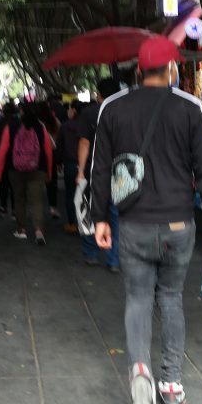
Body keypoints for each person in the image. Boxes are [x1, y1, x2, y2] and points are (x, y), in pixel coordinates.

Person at [90, 37, 202, 404]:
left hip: (134, 225)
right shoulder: (190, 108)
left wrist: (99, 218)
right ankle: (170, 385)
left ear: (139, 70)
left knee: (137, 298)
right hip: (178, 226)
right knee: (170, 299)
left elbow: (100, 169)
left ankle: (140, 372)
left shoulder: (113, 108)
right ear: (171, 70)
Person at [77, 78, 122, 270]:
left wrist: (80, 171)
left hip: (96, 171)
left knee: (90, 211)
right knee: (116, 215)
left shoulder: (90, 113)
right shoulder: (125, 111)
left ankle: (92, 253)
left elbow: (85, 143)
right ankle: (114, 259)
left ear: (99, 94)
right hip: (121, 172)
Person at [0, 102, 54, 245]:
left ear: (21, 112)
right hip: (37, 169)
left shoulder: (12, 127)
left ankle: (21, 230)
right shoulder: (41, 127)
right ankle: (39, 231)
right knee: (37, 200)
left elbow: (3, 149)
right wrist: (49, 171)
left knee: (19, 199)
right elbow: (48, 151)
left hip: (15, 169)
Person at [57, 101, 85, 234]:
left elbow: (60, 146)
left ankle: (72, 223)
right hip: (85, 164)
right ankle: (84, 223)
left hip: (70, 164)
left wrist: (59, 162)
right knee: (85, 194)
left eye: (69, 109)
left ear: (73, 110)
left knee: (70, 194)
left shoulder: (65, 126)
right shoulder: (87, 125)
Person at [0, 103, 18, 215]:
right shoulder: (20, 123)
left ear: (3, 112)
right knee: (15, 184)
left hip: (1, 157)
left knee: (3, 183)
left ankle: (3, 206)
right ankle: (15, 208)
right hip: (17, 157)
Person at [40, 102, 62, 220]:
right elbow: (59, 140)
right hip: (52, 154)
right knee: (52, 182)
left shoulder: (36, 123)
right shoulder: (55, 121)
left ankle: (37, 209)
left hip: (37, 155)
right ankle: (53, 207)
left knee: (36, 182)